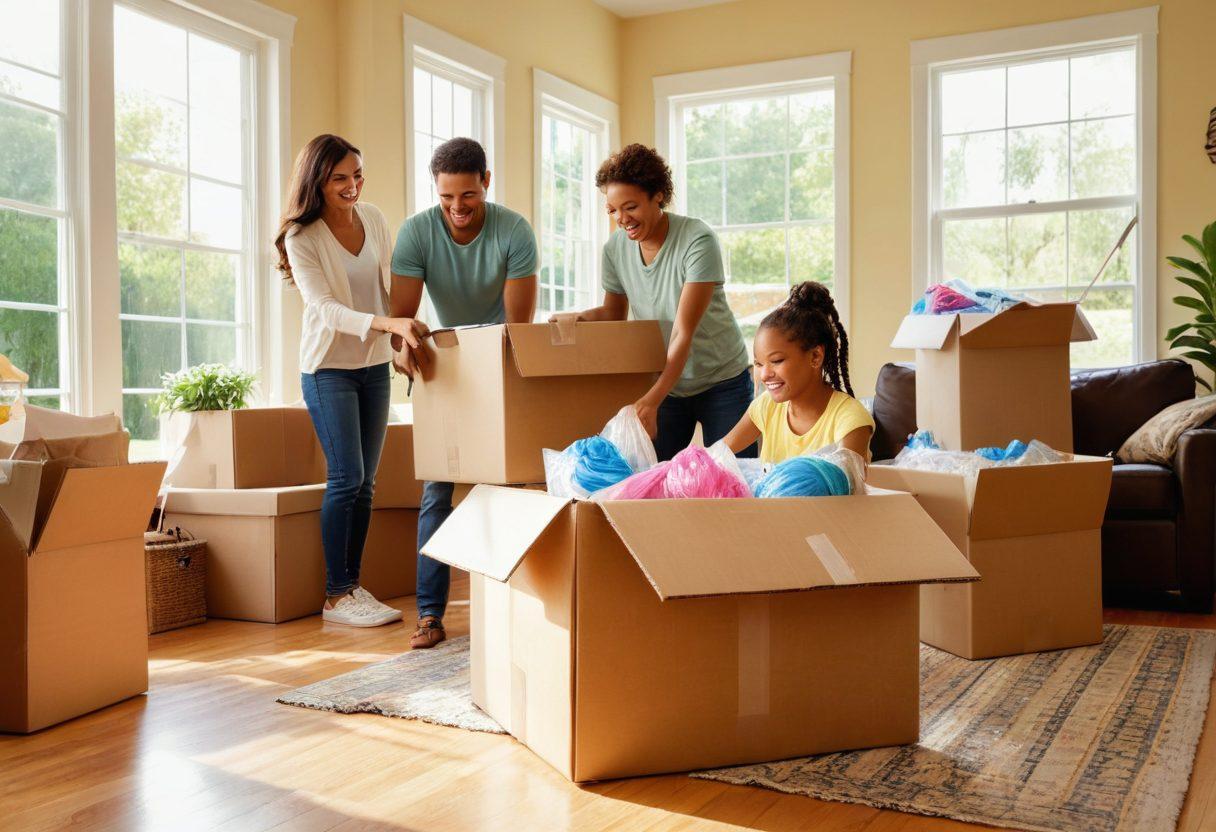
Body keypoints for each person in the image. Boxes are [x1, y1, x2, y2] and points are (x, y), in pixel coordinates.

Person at [276, 134, 430, 628]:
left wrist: (398, 343)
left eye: (357, 175)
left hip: (370, 368)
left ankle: (353, 587)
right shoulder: (303, 237)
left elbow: (389, 290)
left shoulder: (375, 219)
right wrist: (388, 328)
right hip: (328, 370)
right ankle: (336, 595)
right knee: (347, 478)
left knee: (367, 485)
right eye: (340, 177)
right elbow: (325, 309)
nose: (352, 186)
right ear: (317, 179)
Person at [389, 137, 538, 649]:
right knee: (437, 491)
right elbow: (401, 323)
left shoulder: (514, 230)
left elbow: (518, 325)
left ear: (486, 183)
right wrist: (403, 348)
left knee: (511, 487)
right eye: (446, 197)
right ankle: (429, 615)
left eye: (468, 196)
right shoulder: (416, 233)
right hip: (446, 367)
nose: (457, 208)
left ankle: (514, 605)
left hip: (500, 361)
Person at [564, 144, 755, 461]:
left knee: (733, 479)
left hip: (723, 381)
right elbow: (613, 313)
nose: (622, 219)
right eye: (612, 210)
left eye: (631, 207)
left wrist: (651, 400)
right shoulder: (615, 249)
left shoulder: (697, 239)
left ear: (658, 196)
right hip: (668, 382)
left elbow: (683, 331)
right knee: (655, 481)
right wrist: (577, 320)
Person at [721, 281, 873, 463]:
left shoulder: (849, 419)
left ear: (815, 356)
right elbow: (715, 457)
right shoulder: (766, 407)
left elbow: (845, 485)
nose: (764, 375)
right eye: (759, 364)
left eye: (776, 361)